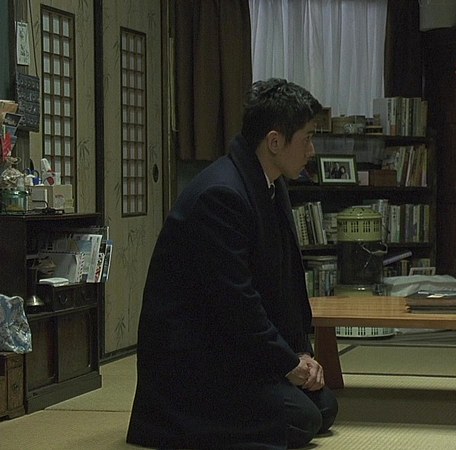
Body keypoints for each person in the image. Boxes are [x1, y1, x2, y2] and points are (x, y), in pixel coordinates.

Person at [127, 78, 337, 449]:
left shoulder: (268, 182)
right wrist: (286, 364)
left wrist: (298, 353)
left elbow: (283, 283)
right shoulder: (221, 195)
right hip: (198, 361)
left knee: (324, 406)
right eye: (306, 138)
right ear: (274, 142)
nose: (312, 150)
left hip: (237, 348)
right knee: (302, 419)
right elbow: (235, 304)